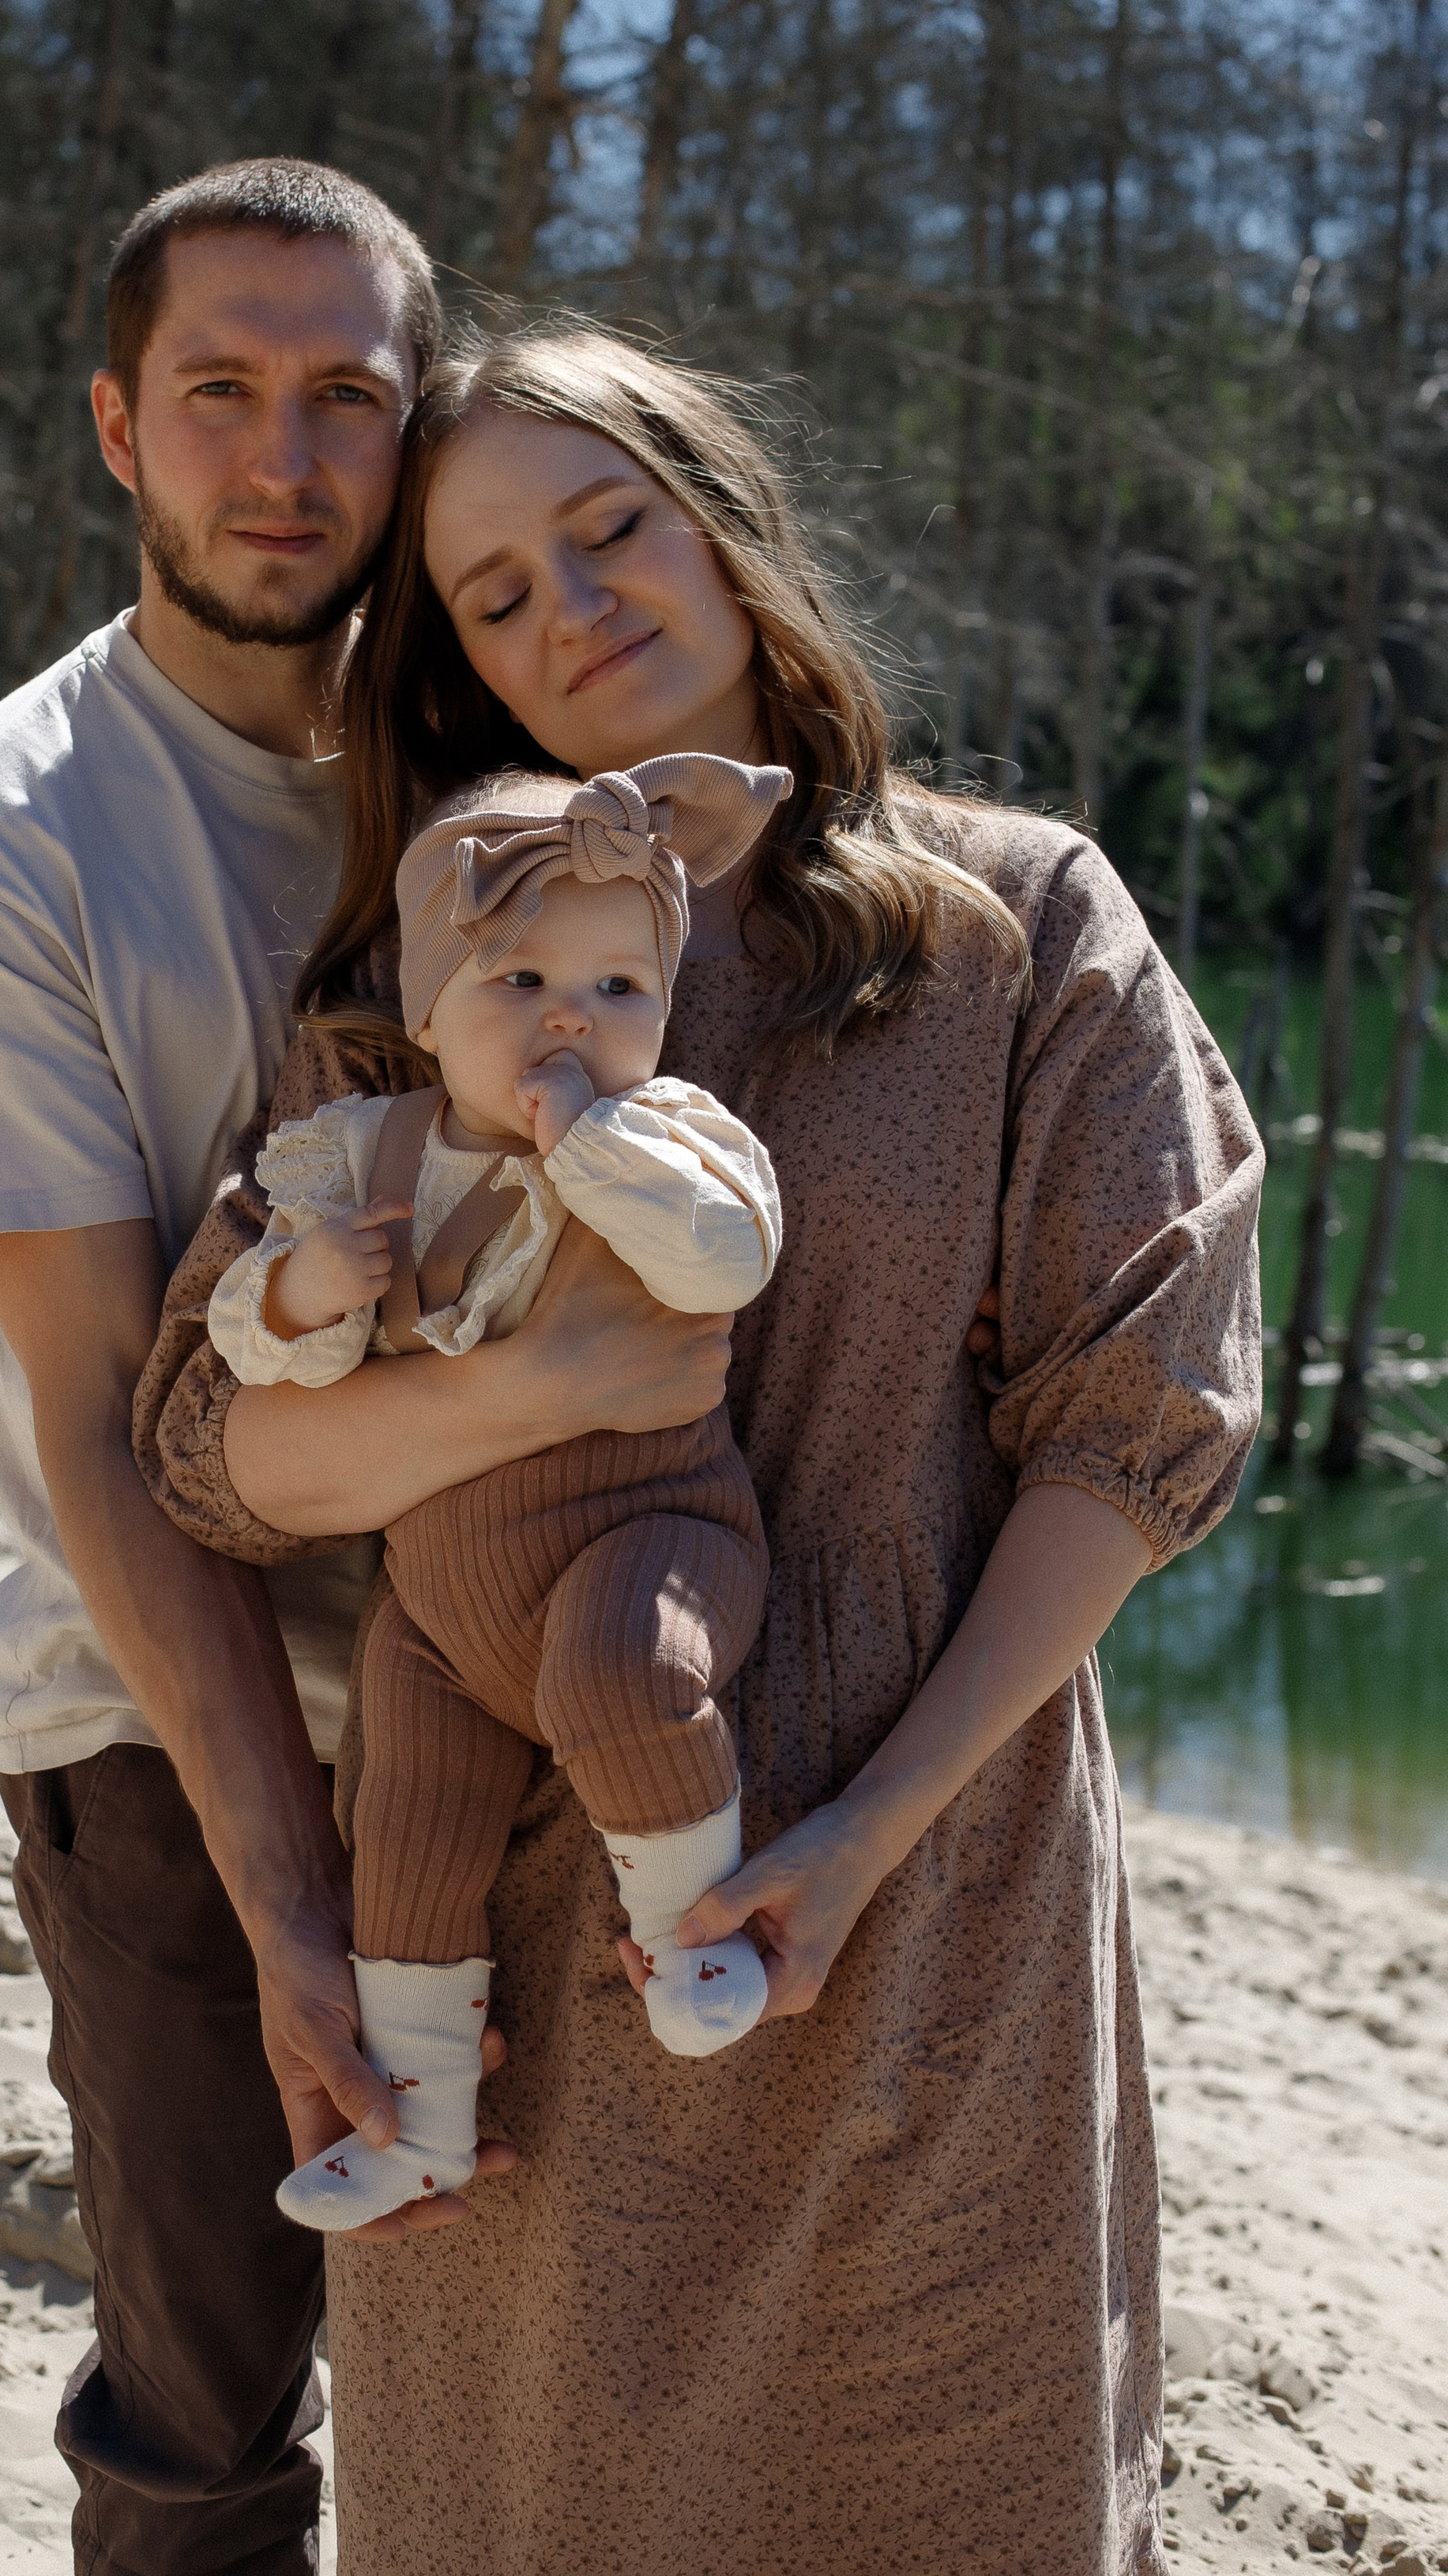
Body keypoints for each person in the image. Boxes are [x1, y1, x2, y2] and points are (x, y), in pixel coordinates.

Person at [137, 325, 1266, 2576]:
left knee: (941, 2497)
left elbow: (1128, 1437)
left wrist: (863, 1835)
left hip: (910, 1893)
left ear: (725, 518)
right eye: (491, 594)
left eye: (607, 527)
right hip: (495, 1903)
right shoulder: (425, 966)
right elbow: (219, 1463)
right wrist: (516, 1394)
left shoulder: (1019, 926)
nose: (573, 609)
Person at [0, 156, 469, 2576]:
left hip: (490, 1691)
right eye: (221, 390)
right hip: (154, 1735)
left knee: (514, 2345)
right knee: (209, 2419)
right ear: (120, 430)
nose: (285, 457)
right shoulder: (3, 846)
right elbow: (110, 1435)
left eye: (347, 396)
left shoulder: (487, 757)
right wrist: (285, 1902)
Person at [201, 753, 787, 2231]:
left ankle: (695, 1933)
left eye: (620, 988)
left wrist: (592, 1147)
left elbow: (726, 1260)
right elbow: (248, 1351)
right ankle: (416, 2123)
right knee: (400, 1831)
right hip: (442, 1602)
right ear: (423, 1007)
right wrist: (298, 1293)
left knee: (625, 1668)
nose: (571, 1019)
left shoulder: (675, 1136)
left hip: (645, 1528)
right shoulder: (363, 1151)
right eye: (519, 977)